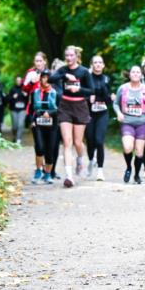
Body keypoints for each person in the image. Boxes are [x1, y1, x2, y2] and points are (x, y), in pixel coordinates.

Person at [51, 46, 93, 187]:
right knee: (67, 142)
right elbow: (51, 78)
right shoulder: (63, 70)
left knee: (77, 142)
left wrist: (78, 89)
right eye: (66, 55)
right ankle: (69, 177)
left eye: (71, 55)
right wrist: (64, 76)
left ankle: (80, 158)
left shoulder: (84, 71)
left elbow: (91, 90)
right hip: (65, 107)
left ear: (76, 56)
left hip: (80, 107)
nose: (68, 58)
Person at [114, 65, 145, 184]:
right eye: (133, 72)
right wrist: (118, 113)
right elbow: (116, 103)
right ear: (129, 74)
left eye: (138, 72)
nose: (135, 74)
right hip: (127, 122)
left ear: (141, 75)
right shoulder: (123, 89)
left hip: (142, 123)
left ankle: (137, 175)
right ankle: (128, 167)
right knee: (128, 147)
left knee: (139, 151)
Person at [86, 54, 114, 181]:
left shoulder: (107, 79)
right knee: (90, 141)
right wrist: (88, 99)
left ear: (103, 65)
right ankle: (91, 160)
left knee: (99, 141)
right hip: (89, 114)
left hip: (102, 112)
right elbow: (82, 95)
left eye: (100, 62)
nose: (97, 64)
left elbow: (109, 99)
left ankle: (100, 171)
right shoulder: (87, 78)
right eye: (95, 62)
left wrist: (109, 97)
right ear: (92, 65)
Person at [22, 52, 48, 182]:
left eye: (40, 61)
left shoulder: (50, 73)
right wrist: (31, 83)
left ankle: (48, 170)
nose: (38, 63)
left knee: (48, 142)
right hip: (34, 111)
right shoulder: (31, 72)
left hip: (49, 111)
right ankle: (38, 169)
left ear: (44, 61)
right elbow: (24, 89)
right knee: (39, 143)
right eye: (36, 61)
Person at [30, 71, 59, 184]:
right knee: (40, 147)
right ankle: (38, 171)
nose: (46, 80)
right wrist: (32, 120)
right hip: (38, 124)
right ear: (40, 79)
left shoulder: (56, 93)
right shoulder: (35, 92)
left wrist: (50, 113)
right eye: (44, 78)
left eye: (48, 78)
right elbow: (32, 109)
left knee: (50, 150)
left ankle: (47, 174)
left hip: (52, 125)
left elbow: (59, 109)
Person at [6, 76, 27, 144]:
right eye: (17, 80)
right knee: (15, 125)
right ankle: (15, 136)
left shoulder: (25, 89)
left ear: (22, 81)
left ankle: (18, 139)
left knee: (20, 124)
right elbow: (7, 99)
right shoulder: (12, 89)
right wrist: (12, 97)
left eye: (20, 80)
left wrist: (26, 95)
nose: (18, 82)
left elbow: (29, 100)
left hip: (22, 110)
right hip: (13, 110)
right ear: (15, 81)